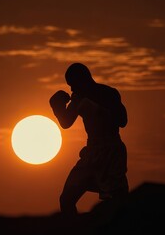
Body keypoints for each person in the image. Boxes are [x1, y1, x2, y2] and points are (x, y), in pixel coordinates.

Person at [49, 63, 129, 216]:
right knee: (66, 199)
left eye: (73, 85)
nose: (71, 89)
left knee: (118, 200)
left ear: (82, 80)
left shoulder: (108, 93)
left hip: (112, 151)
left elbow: (123, 120)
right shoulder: (78, 99)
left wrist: (98, 110)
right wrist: (57, 106)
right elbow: (66, 122)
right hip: (91, 153)